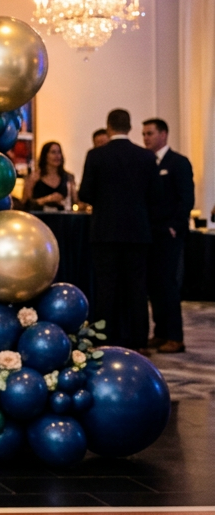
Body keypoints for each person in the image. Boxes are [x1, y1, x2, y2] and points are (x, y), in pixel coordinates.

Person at [78, 109, 159, 350]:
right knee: (137, 288)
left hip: (105, 231)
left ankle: (105, 338)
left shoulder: (96, 155)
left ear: (109, 127)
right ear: (130, 127)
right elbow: (156, 195)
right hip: (137, 232)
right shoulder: (145, 157)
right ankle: (139, 340)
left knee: (106, 287)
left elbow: (85, 194)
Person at [142, 117, 194, 354]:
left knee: (168, 284)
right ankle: (161, 332)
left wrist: (175, 225)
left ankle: (175, 336)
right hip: (151, 233)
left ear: (163, 134)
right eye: (144, 134)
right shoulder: (147, 163)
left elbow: (186, 198)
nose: (146, 138)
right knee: (155, 285)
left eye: (150, 133)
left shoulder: (178, 162)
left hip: (169, 234)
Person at [23, 142, 75, 211]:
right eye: (53, 152)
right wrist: (48, 199)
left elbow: (75, 201)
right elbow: (25, 202)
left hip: (62, 217)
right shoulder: (35, 176)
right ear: (45, 156)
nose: (57, 156)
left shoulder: (68, 177)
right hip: (40, 216)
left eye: (59, 152)